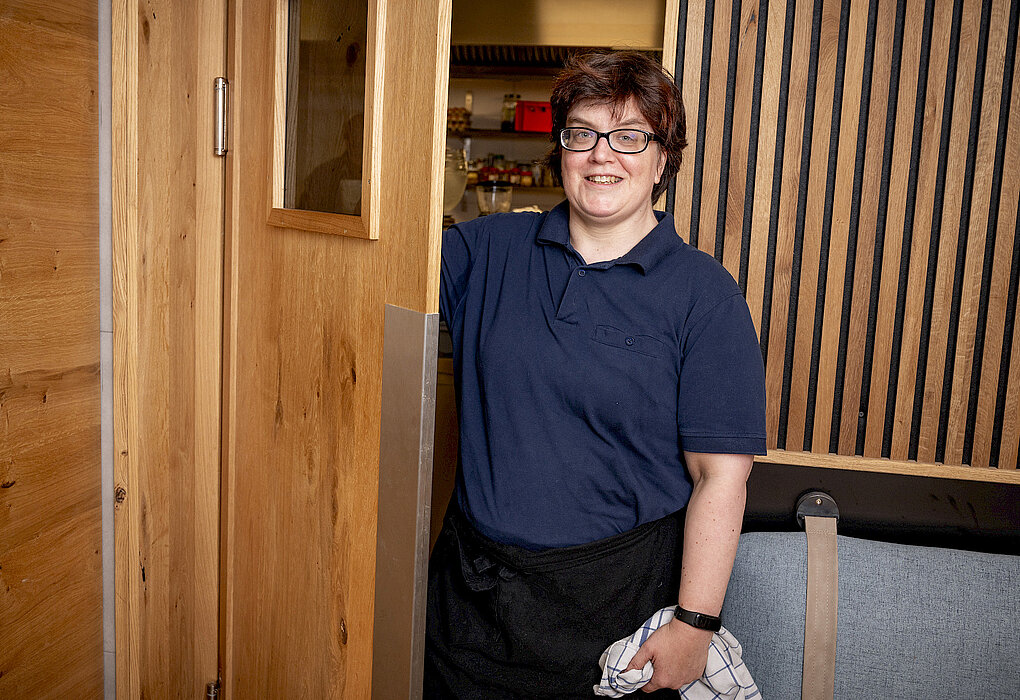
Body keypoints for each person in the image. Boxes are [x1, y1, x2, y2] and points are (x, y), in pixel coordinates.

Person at [425, 50, 766, 699]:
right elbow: (364, 277)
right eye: (582, 133)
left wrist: (694, 626)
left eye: (629, 136)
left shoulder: (703, 295)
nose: (601, 154)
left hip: (613, 616)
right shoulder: (484, 250)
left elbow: (721, 476)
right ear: (561, 149)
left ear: (663, 160)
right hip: (470, 606)